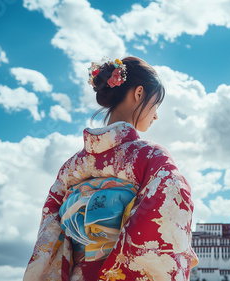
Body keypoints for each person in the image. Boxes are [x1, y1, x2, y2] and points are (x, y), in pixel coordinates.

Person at [23, 56, 198, 281]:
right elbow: (171, 198)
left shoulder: (72, 166)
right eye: (156, 104)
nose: (156, 115)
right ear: (139, 93)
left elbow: (50, 229)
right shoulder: (151, 156)